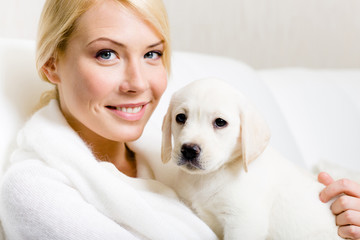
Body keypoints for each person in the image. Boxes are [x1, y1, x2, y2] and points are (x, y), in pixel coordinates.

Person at [0, 0, 358, 239]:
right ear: (51, 64)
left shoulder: (172, 158)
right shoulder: (35, 190)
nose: (139, 83)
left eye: (152, 54)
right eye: (107, 53)